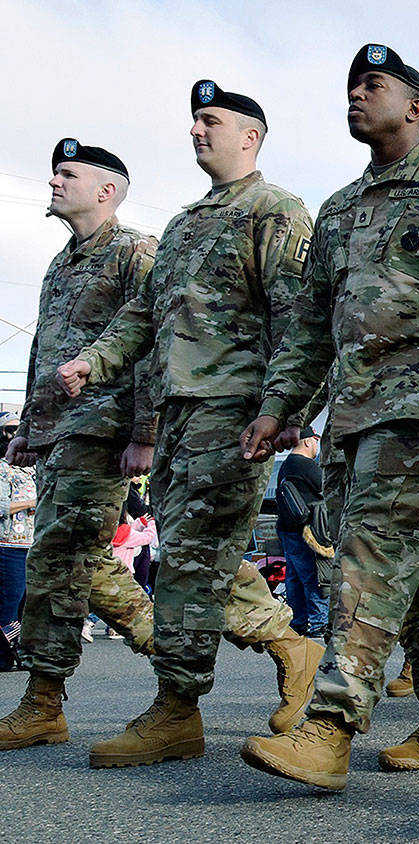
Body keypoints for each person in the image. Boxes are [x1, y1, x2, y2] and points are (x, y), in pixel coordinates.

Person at [238, 43, 419, 789]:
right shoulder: (337, 211)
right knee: (407, 558)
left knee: (366, 559)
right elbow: (308, 328)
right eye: (352, 86)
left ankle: (330, 726)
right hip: (354, 414)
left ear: (415, 107)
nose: (356, 95)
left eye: (374, 84)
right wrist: (280, 409)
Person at [55, 83, 319, 768]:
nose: (197, 130)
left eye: (212, 121)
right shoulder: (182, 224)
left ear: (250, 136)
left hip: (234, 416)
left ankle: (178, 708)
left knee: (191, 565)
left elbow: (301, 318)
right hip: (178, 414)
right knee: (195, 558)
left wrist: (283, 410)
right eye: (194, 121)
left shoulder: (276, 211)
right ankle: (290, 650)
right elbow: (143, 316)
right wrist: (95, 361)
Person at [275, 425, 327, 638]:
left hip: (287, 528)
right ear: (308, 441)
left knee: (294, 577)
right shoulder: (305, 464)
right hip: (306, 530)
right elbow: (325, 487)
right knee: (313, 576)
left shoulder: (286, 466)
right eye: (315, 441)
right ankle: (318, 622)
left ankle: (298, 621)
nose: (316, 446)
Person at [0, 414, 36, 672]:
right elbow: (1, 505)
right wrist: (31, 503)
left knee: (28, 605)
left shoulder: (35, 469)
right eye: (8, 430)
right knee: (8, 603)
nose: (13, 435)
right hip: (8, 545)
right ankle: (2, 656)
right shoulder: (2, 468)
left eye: (17, 430)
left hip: (33, 545)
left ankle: (21, 654)